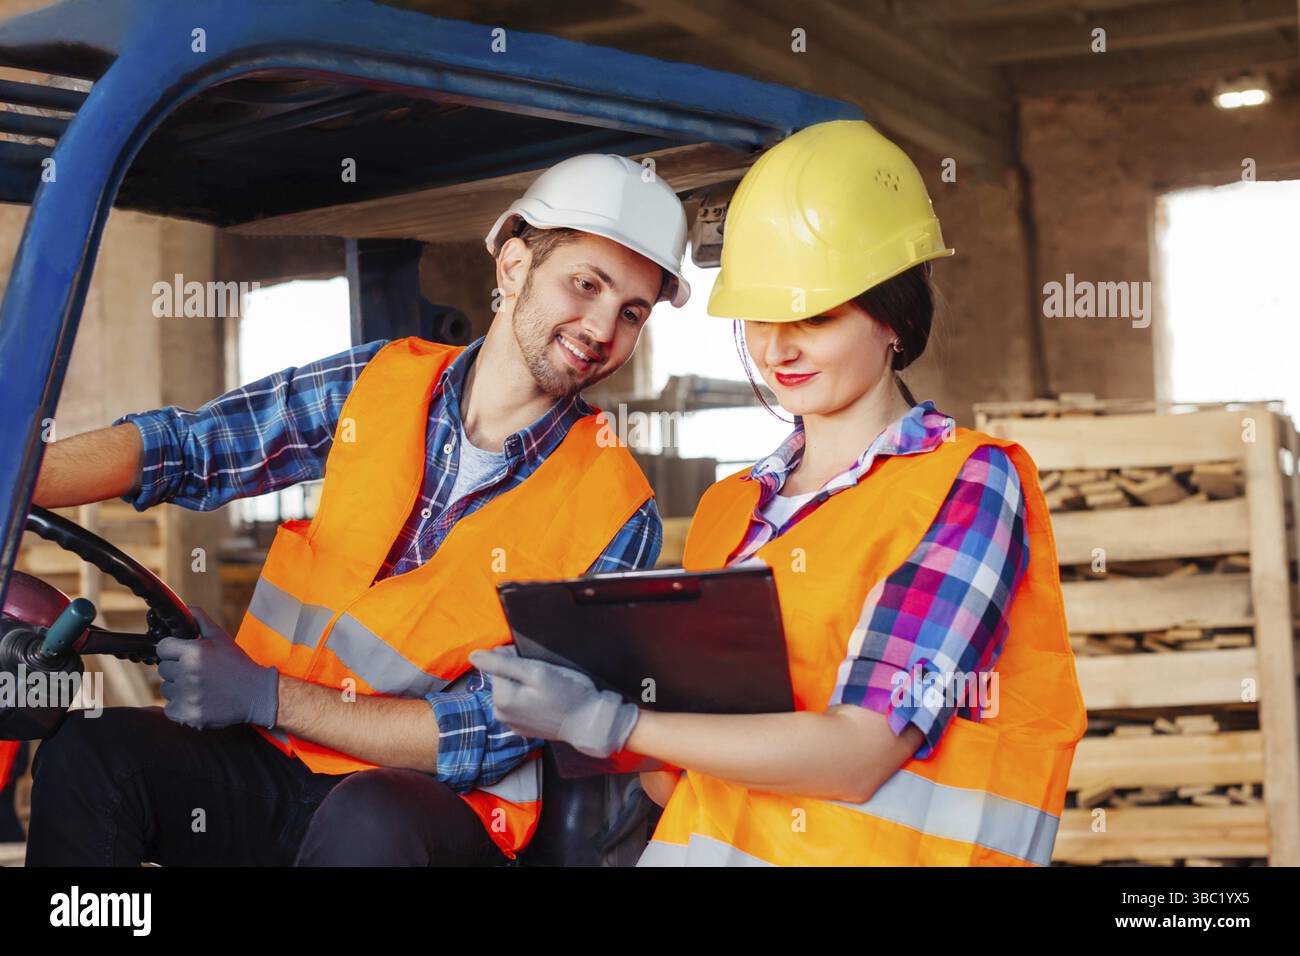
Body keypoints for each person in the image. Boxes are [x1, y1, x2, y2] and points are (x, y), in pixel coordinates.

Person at [24, 152, 690, 866]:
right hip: (269, 760)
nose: (600, 328)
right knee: (93, 752)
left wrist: (266, 695)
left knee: (373, 819)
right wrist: (16, 482)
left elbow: (487, 732)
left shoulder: (618, 511)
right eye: (585, 285)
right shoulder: (376, 384)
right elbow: (188, 448)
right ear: (515, 266)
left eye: (630, 313)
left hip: (432, 807)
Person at [473, 120, 1088, 867]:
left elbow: (862, 753)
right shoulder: (730, 509)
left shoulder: (967, 483)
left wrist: (615, 724)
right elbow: (683, 785)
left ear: (894, 317)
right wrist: (593, 699)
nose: (777, 348)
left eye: (816, 317)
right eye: (761, 317)